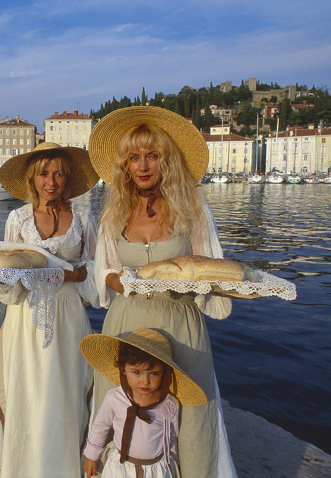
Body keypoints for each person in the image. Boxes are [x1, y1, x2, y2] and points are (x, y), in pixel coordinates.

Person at [89, 106, 236, 477]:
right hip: (127, 325)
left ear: (166, 160)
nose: (142, 166)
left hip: (181, 328)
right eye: (134, 157)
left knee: (192, 419)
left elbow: (211, 269)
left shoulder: (194, 207)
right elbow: (103, 270)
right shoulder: (113, 213)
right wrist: (119, 281)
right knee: (123, 413)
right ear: (124, 165)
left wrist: (227, 287)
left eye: (152, 156)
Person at [0, 142, 100, 478]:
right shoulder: (17, 219)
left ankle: (65, 464)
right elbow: (6, 278)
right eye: (43, 173)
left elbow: (97, 270)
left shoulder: (84, 217)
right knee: (27, 387)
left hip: (68, 315)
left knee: (65, 386)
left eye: (58, 173)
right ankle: (24, 464)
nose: (50, 181)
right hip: (25, 316)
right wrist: (23, 274)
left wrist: (76, 274)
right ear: (32, 179)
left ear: (68, 178)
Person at [80, 329, 207, 478]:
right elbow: (100, 427)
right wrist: (91, 456)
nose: (145, 381)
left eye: (154, 373)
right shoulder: (114, 398)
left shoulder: (169, 404)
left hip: (156, 469)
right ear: (124, 369)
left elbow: (171, 436)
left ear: (164, 373)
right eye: (137, 372)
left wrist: (173, 463)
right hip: (121, 467)